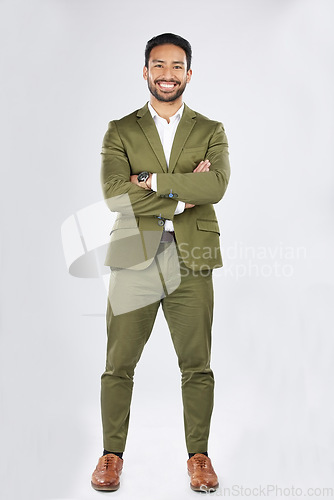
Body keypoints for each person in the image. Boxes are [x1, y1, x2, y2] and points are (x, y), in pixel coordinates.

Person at [91, 33, 230, 492]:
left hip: (193, 259)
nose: (167, 75)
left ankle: (199, 456)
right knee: (119, 363)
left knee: (197, 364)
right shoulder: (121, 129)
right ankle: (111, 455)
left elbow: (214, 189)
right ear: (145, 71)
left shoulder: (211, 130)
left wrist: (146, 181)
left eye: (176, 66)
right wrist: (178, 196)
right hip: (134, 256)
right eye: (158, 65)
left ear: (189, 73)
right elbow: (114, 194)